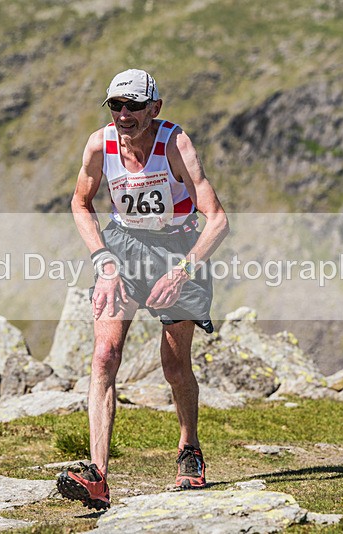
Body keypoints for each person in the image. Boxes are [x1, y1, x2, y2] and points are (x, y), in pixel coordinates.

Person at [56, 69, 229, 509]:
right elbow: (80, 203)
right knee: (104, 355)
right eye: (116, 105)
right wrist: (103, 260)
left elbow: (218, 219)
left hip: (178, 248)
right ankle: (97, 475)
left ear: (156, 108)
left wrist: (183, 271)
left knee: (174, 364)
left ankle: (189, 448)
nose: (125, 115)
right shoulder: (100, 144)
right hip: (123, 247)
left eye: (134, 106)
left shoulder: (176, 145)